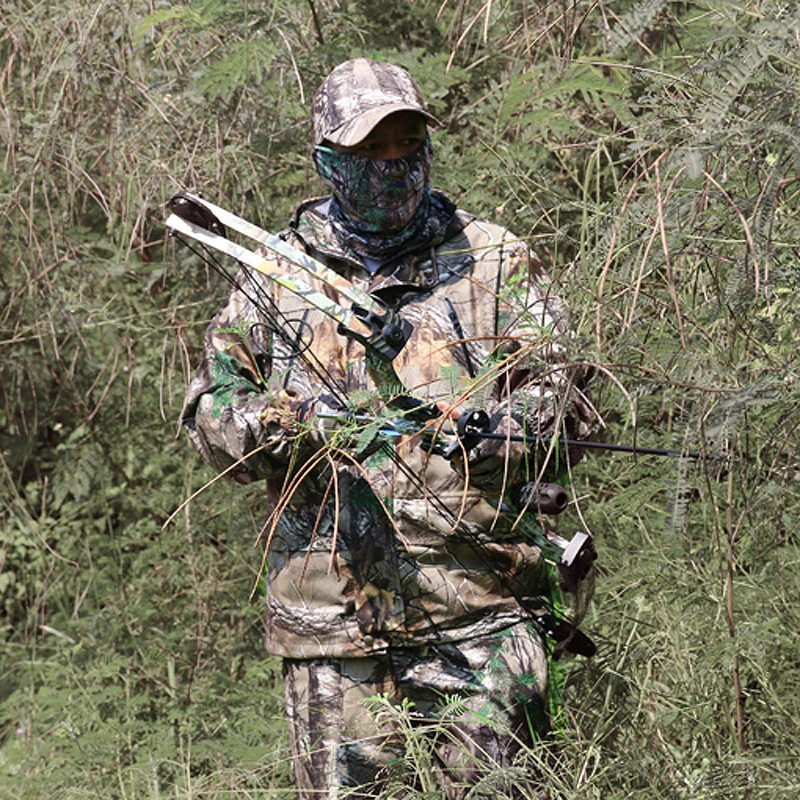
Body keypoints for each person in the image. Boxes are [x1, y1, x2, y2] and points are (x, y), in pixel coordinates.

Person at [182, 58, 593, 799]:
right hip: (335, 624)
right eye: (373, 150)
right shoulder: (275, 274)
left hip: (483, 610)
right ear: (328, 161)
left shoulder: (494, 261)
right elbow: (208, 408)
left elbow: (569, 396)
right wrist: (267, 427)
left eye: (408, 144)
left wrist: (507, 431)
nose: (395, 166)